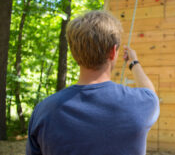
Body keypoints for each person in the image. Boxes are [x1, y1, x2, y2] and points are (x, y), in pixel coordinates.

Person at [26, 11, 160, 155]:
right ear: (113, 52)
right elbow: (150, 92)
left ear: (73, 52)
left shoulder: (44, 111)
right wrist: (134, 62)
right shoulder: (141, 103)